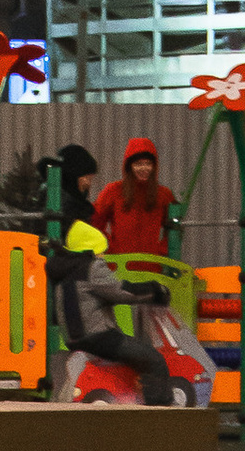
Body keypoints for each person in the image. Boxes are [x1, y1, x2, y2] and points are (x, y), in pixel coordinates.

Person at [50, 220, 175, 403]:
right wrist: (155, 291)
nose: (104, 256)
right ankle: (159, 412)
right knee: (153, 360)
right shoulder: (91, 268)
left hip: (74, 339)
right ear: (90, 250)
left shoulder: (64, 273)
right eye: (101, 251)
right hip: (98, 337)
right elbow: (121, 292)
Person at [95, 136, 176, 258]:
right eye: (138, 164)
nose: (144, 168)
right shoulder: (113, 191)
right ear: (129, 166)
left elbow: (174, 229)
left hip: (152, 268)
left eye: (148, 164)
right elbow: (95, 223)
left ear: (154, 166)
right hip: (120, 267)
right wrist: (111, 248)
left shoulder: (164, 194)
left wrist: (161, 251)